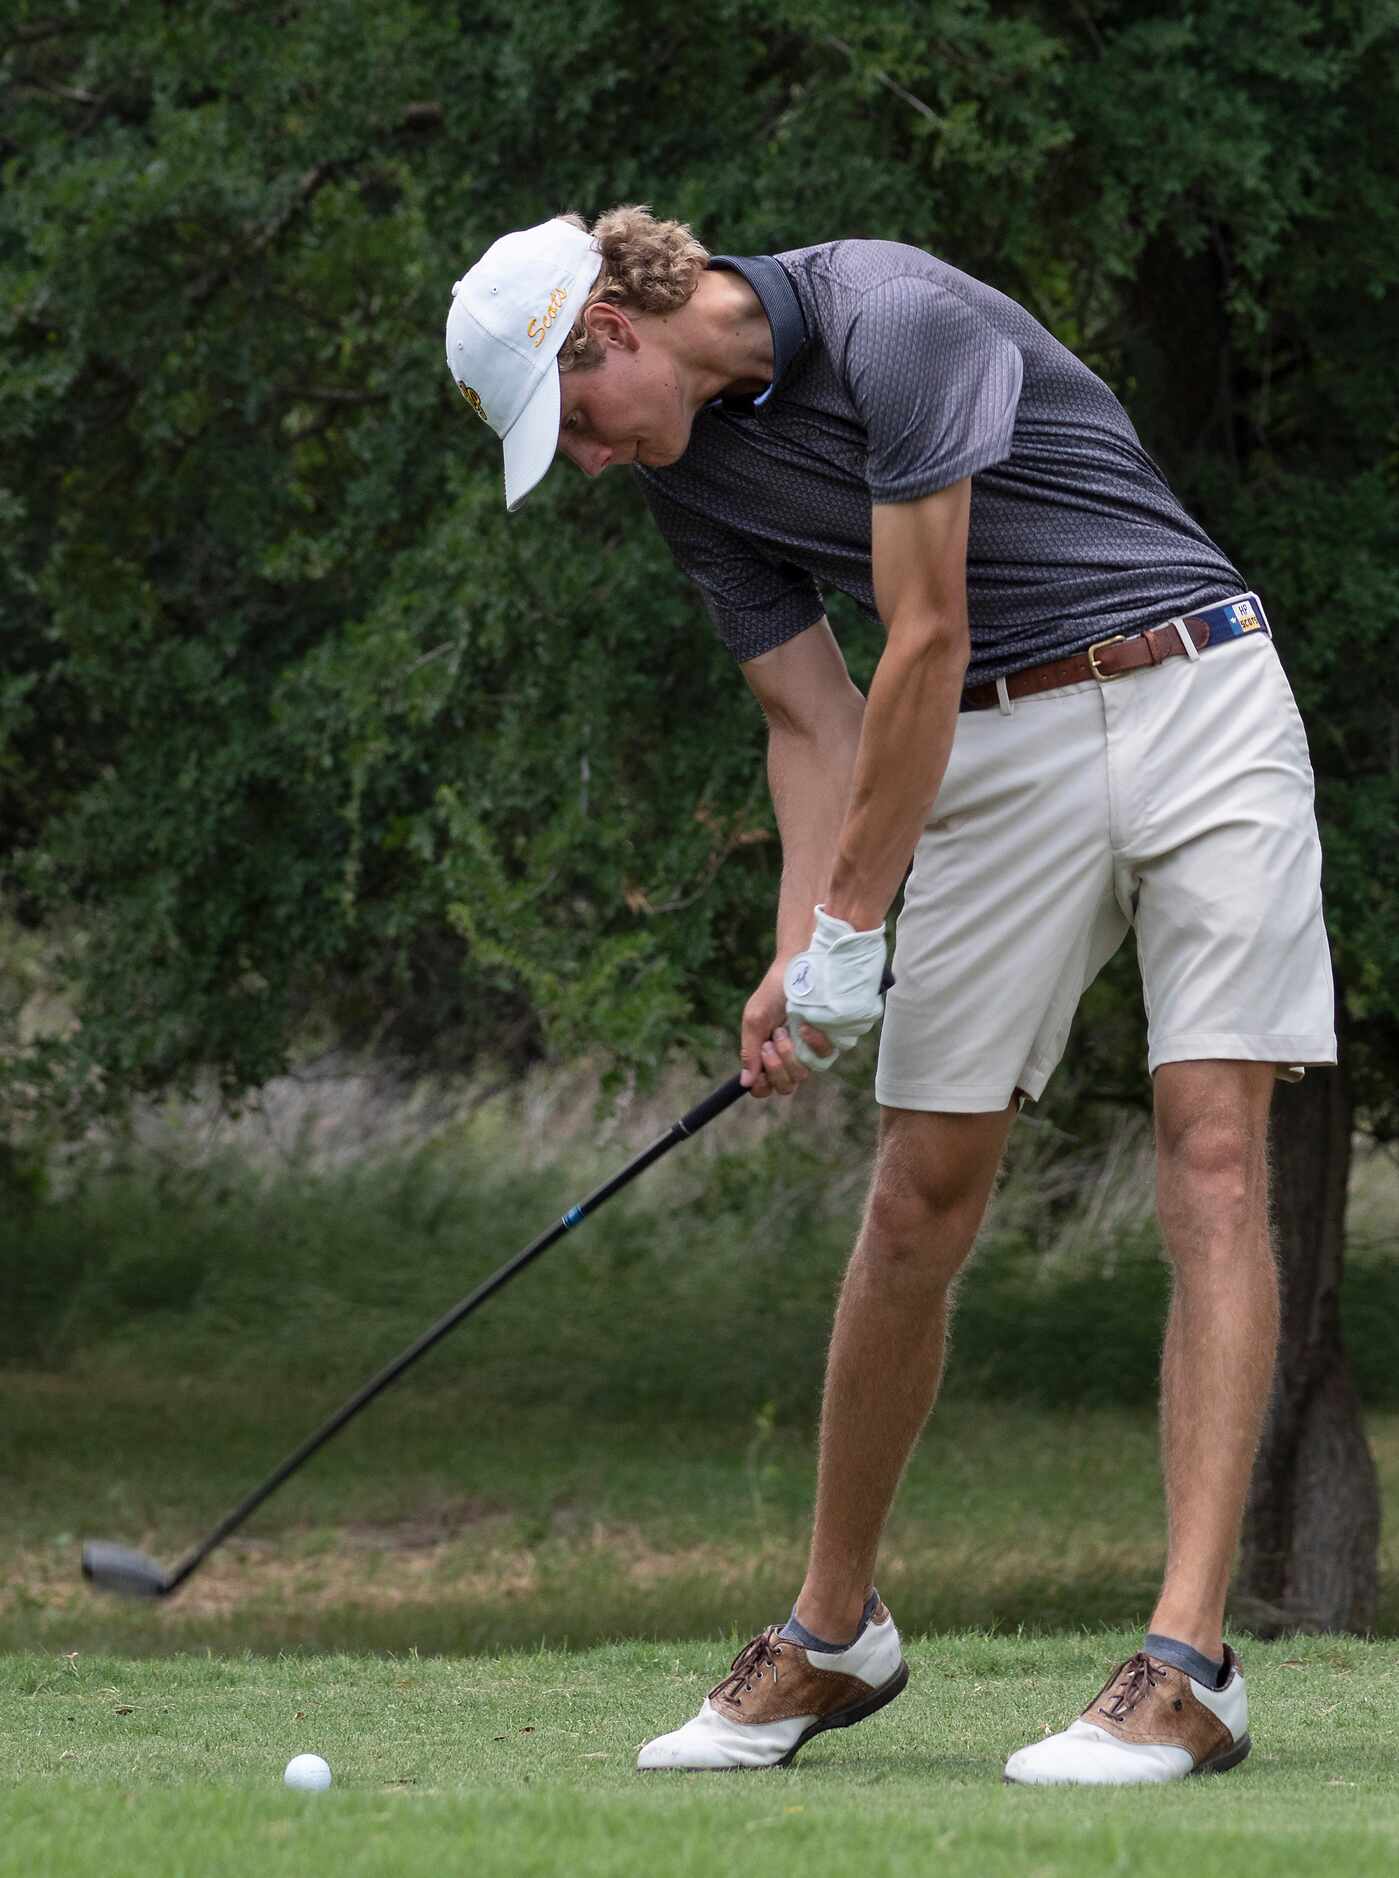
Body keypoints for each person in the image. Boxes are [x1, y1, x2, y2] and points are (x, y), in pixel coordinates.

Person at [443, 208, 1336, 1785]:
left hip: (1200, 691)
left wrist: (859, 913)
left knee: (1210, 1151)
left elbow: (927, 629)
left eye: (575, 417)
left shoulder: (892, 318)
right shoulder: (688, 478)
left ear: (614, 329)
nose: (585, 459)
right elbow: (814, 719)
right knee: (917, 1195)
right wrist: (805, 950)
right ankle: (835, 1633)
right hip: (997, 749)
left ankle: (1190, 1663)